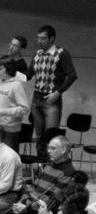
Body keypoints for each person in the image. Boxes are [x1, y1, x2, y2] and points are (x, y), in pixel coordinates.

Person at [26, 25, 78, 162]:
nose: (39, 41)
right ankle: (41, 169)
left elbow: (72, 75)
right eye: (38, 38)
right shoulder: (37, 54)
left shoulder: (61, 53)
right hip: (36, 98)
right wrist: (10, 74)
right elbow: (28, 75)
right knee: (39, 137)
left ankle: (52, 169)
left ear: (51, 38)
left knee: (51, 138)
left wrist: (57, 93)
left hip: (51, 99)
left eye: (43, 38)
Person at [0, 55, 30, 146]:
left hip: (10, 128)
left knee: (8, 154)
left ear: (9, 69)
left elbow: (24, 109)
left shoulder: (17, 86)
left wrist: (3, 111)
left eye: (0, 69)